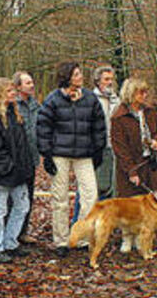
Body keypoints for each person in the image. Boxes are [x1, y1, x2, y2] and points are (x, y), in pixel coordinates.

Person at [37, 61, 106, 257]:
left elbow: (99, 126)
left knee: (90, 196)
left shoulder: (90, 99)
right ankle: (61, 240)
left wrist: (98, 149)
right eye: (76, 74)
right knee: (60, 198)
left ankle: (82, 237)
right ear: (67, 77)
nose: (80, 77)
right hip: (59, 154)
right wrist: (47, 154)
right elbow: (43, 128)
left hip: (84, 155)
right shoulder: (53, 100)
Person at [0, 78, 32, 263]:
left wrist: (24, 168)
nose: (14, 93)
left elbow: (22, 145)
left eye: (13, 90)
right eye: (9, 91)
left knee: (22, 206)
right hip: (1, 174)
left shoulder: (15, 114)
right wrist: (8, 168)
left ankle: (10, 241)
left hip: (17, 173)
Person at [72, 66, 120, 223]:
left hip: (112, 148)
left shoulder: (116, 99)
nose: (110, 82)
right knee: (88, 190)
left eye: (111, 79)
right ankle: (79, 224)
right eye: (106, 79)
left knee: (109, 189)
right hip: (93, 150)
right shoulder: (89, 99)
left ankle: (102, 225)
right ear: (98, 81)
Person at [111, 78, 157, 199]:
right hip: (133, 167)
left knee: (156, 204)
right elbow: (120, 149)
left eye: (145, 91)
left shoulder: (150, 111)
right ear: (131, 93)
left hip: (152, 165)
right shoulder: (119, 117)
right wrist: (132, 171)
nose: (145, 95)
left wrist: (156, 141)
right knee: (133, 209)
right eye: (141, 92)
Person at [13, 71, 41, 244]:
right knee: (14, 198)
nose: (31, 85)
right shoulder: (13, 106)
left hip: (32, 158)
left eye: (32, 82)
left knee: (28, 196)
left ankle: (23, 231)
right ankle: (11, 234)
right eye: (27, 83)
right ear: (18, 86)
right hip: (16, 159)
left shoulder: (35, 106)